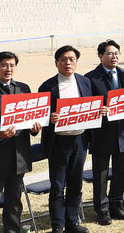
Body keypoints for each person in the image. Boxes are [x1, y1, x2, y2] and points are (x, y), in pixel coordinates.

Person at [0, 52, 42, 233]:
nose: (8, 69)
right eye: (4, 65)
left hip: (19, 156)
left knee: (15, 200)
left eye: (12, 65)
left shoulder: (24, 88)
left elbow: (32, 116)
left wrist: (35, 128)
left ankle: (12, 230)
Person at [38, 45, 92, 233]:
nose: (67, 63)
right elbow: (39, 116)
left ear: (76, 62)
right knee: (58, 185)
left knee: (76, 183)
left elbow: (91, 107)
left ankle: (72, 222)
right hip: (59, 142)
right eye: (63, 59)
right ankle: (57, 226)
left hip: (80, 140)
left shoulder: (85, 82)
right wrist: (49, 119)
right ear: (56, 63)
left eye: (71, 59)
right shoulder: (47, 86)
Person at [85, 40, 124, 224]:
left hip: (123, 131)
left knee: (122, 170)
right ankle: (102, 209)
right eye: (109, 53)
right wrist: (98, 109)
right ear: (100, 56)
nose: (114, 57)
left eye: (116, 53)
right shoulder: (90, 78)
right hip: (101, 133)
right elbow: (87, 105)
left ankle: (116, 205)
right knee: (101, 174)